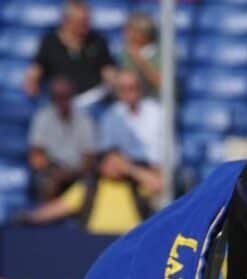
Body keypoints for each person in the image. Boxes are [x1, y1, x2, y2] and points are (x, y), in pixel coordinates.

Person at [16, 148, 163, 235]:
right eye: (111, 163)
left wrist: (128, 167)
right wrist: (31, 217)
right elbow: (60, 207)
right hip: (95, 242)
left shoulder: (134, 187)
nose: (115, 167)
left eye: (117, 163)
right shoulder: (89, 187)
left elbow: (158, 185)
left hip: (129, 240)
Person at [23, 0, 115, 99]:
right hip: (59, 102)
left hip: (90, 100)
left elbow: (108, 71)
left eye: (87, 21)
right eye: (80, 22)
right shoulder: (50, 42)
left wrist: (113, 82)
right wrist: (32, 83)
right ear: (66, 21)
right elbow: (35, 71)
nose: (85, 26)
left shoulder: (98, 41)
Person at [27, 76, 96, 201]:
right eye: (57, 96)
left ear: (72, 96)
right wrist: (53, 170)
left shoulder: (85, 120)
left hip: (76, 173)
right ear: (52, 98)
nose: (62, 100)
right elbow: (36, 156)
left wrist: (70, 174)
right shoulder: (42, 117)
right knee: (46, 181)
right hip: (51, 170)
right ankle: (45, 216)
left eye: (66, 96)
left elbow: (89, 158)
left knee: (90, 183)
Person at [98, 70, 165, 169]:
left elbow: (168, 149)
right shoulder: (110, 116)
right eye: (123, 89)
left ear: (140, 89)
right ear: (117, 92)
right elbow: (109, 152)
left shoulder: (157, 112)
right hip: (126, 171)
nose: (128, 93)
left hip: (155, 167)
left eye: (132, 88)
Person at [118, 11, 161, 98]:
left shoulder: (161, 51)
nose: (125, 35)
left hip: (156, 102)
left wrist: (139, 58)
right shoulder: (125, 52)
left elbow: (160, 82)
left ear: (141, 33)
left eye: (129, 31)